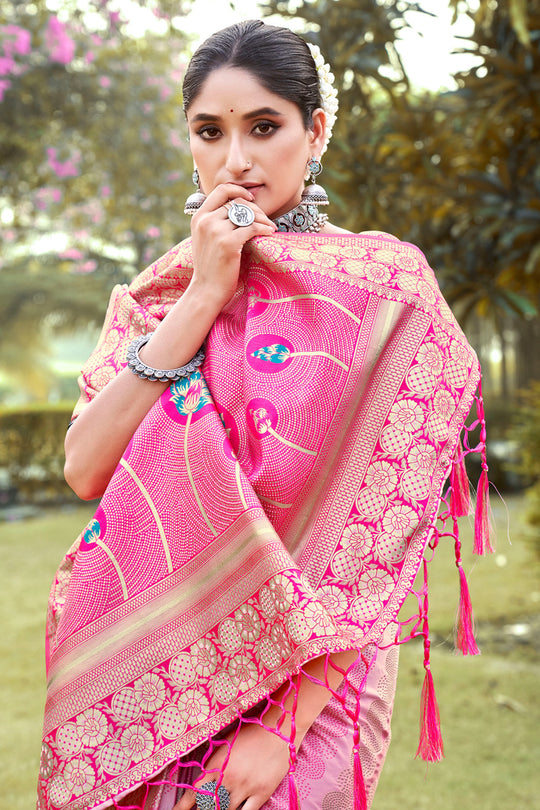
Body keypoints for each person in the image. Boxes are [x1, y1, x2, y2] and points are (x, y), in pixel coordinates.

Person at [37, 20, 489, 810]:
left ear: (315, 133)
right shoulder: (157, 297)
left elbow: (381, 536)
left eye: (264, 127)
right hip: (164, 673)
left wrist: (280, 726)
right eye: (210, 132)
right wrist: (206, 292)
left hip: (315, 685)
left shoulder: (387, 294)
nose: (236, 160)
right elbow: (85, 468)